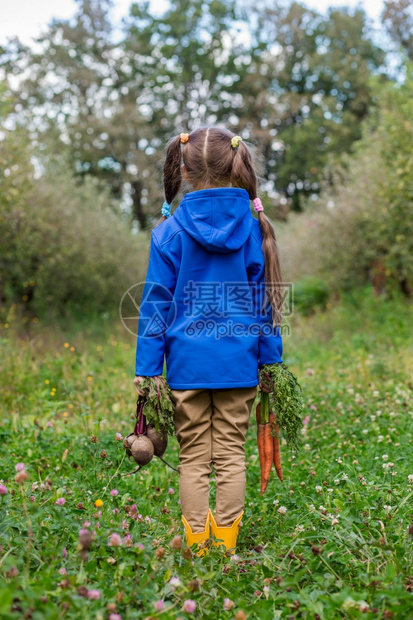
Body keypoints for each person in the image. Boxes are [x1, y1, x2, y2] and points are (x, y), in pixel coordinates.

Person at [133, 127, 284, 555]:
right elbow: (265, 307)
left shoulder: (169, 233)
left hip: (187, 369)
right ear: (236, 167)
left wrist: (148, 371)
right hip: (239, 367)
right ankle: (227, 545)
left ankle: (198, 547)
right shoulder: (255, 230)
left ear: (182, 169)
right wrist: (269, 362)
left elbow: (155, 307)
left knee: (195, 458)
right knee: (232, 456)